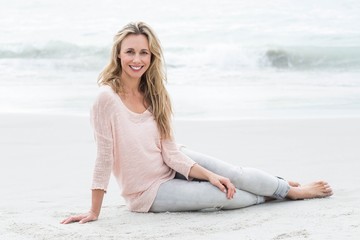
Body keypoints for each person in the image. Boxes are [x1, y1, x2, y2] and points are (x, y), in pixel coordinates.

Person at [61, 22, 333, 224]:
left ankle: (286, 188)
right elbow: (104, 158)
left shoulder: (156, 93)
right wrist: (94, 210)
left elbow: (169, 151)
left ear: (152, 56)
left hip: (173, 160)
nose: (137, 59)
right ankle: (276, 192)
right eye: (129, 52)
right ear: (118, 55)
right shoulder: (105, 99)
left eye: (144, 53)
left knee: (232, 175)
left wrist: (208, 174)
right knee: (224, 197)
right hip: (148, 190)